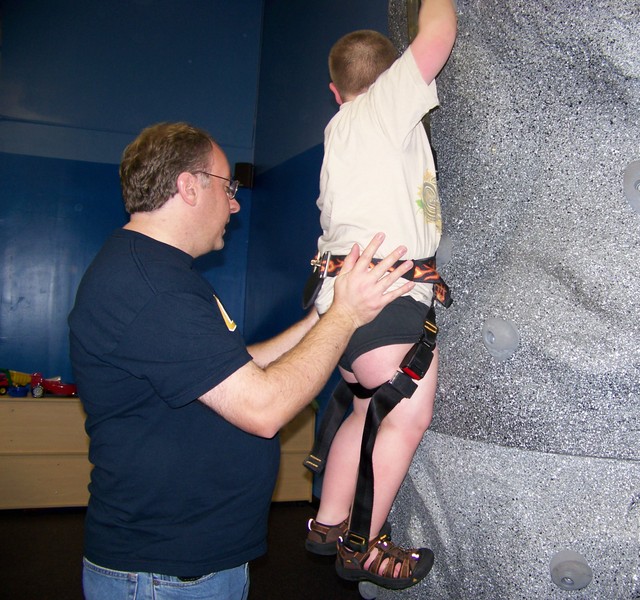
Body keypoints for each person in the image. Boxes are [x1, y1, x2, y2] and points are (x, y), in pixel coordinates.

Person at [68, 121, 416, 600]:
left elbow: (231, 368)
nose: (234, 203)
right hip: (163, 574)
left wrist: (324, 318)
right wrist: (345, 315)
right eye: (227, 187)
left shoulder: (154, 273)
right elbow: (262, 408)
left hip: (189, 564)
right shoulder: (149, 287)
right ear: (188, 187)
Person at [303, 0, 457, 590]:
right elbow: (437, 34)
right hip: (385, 299)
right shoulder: (382, 109)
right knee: (407, 414)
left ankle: (329, 520)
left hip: (341, 305)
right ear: (392, 77)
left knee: (366, 407)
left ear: (334, 92)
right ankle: (360, 545)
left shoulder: (340, 131)